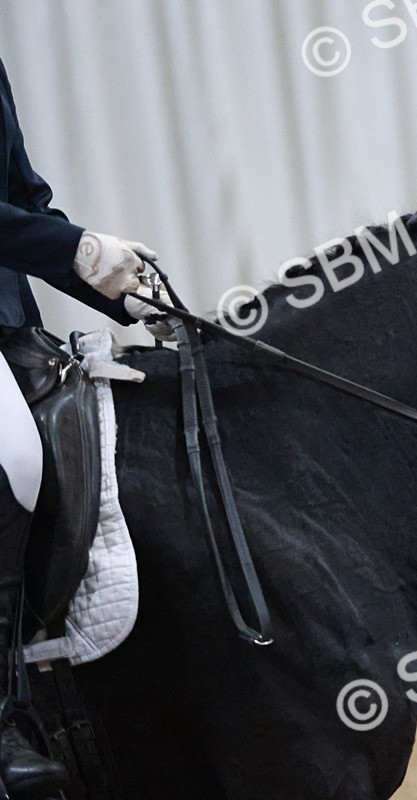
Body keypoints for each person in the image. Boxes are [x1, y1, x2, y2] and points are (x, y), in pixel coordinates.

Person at [1, 55, 168, 794]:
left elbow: (22, 200)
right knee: (15, 453)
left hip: (9, 327)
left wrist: (115, 291)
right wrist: (76, 249)